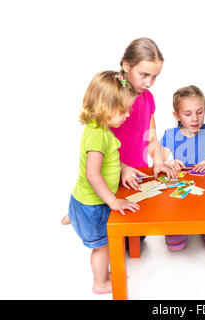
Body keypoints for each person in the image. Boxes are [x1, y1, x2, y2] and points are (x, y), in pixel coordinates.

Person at [61, 37, 176, 225]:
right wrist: (122, 168)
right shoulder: (111, 99)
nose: (149, 82)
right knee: (105, 221)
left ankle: (79, 215)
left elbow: (151, 136)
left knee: (138, 234)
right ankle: (77, 214)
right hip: (110, 173)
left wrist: (158, 162)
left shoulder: (148, 98)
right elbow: (97, 147)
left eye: (155, 76)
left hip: (136, 172)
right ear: (126, 65)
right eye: (144, 75)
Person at [68, 71, 140, 294]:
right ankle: (100, 283)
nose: (127, 115)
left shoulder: (99, 129)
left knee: (101, 241)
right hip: (93, 206)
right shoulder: (98, 135)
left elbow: (110, 161)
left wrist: (125, 168)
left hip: (84, 202)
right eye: (123, 110)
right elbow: (92, 174)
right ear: (104, 106)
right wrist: (113, 201)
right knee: (102, 246)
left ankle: (73, 216)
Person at [160, 85, 205, 251]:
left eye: (199, 112)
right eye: (188, 114)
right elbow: (156, 167)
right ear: (176, 115)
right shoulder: (170, 135)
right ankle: (178, 224)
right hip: (180, 195)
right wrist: (168, 163)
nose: (195, 118)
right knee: (175, 245)